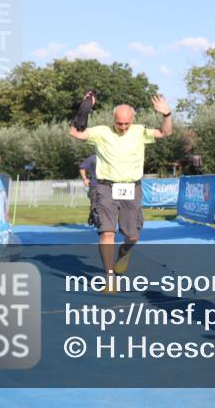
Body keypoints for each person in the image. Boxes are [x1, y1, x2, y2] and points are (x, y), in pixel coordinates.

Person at [68, 93, 173, 291]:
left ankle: (125, 252)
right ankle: (109, 279)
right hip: (106, 187)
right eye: (119, 123)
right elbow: (75, 133)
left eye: (126, 123)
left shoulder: (140, 131)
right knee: (107, 232)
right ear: (113, 119)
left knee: (131, 234)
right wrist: (84, 109)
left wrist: (166, 114)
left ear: (132, 120)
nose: (122, 127)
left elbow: (165, 133)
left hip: (131, 188)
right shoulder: (101, 132)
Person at [79, 154, 98, 226]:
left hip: (108, 186)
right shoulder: (93, 158)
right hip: (94, 185)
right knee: (95, 205)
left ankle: (100, 221)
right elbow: (82, 167)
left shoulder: (111, 156)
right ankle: (95, 219)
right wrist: (84, 179)